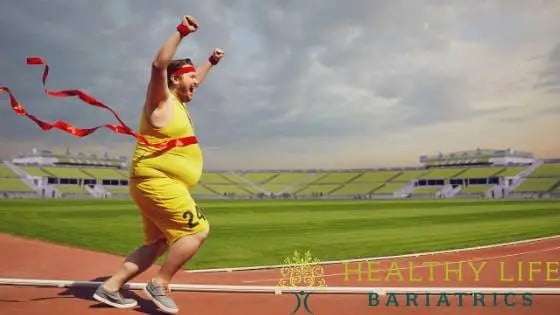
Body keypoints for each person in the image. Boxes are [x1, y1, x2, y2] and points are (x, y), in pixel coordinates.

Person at [92, 15, 224, 314]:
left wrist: (210, 64)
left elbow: (194, 79)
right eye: (191, 79)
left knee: (157, 243)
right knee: (197, 231)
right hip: (157, 181)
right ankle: (160, 283)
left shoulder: (179, 103)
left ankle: (110, 287)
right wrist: (180, 32)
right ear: (175, 80)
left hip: (157, 182)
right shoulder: (161, 103)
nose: (197, 84)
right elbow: (158, 67)